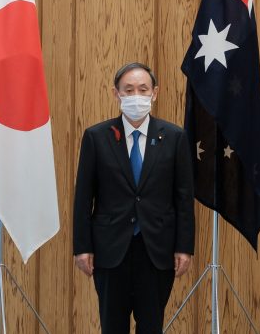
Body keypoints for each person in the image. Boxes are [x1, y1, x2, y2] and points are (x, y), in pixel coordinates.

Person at [72, 62, 195, 333]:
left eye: (143, 89)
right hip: (110, 249)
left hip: (156, 250)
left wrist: (184, 247)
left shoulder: (174, 137)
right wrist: (82, 247)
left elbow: (184, 198)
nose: (136, 96)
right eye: (128, 90)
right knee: (112, 326)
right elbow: (83, 197)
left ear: (155, 93)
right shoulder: (96, 137)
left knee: (151, 326)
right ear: (116, 94)